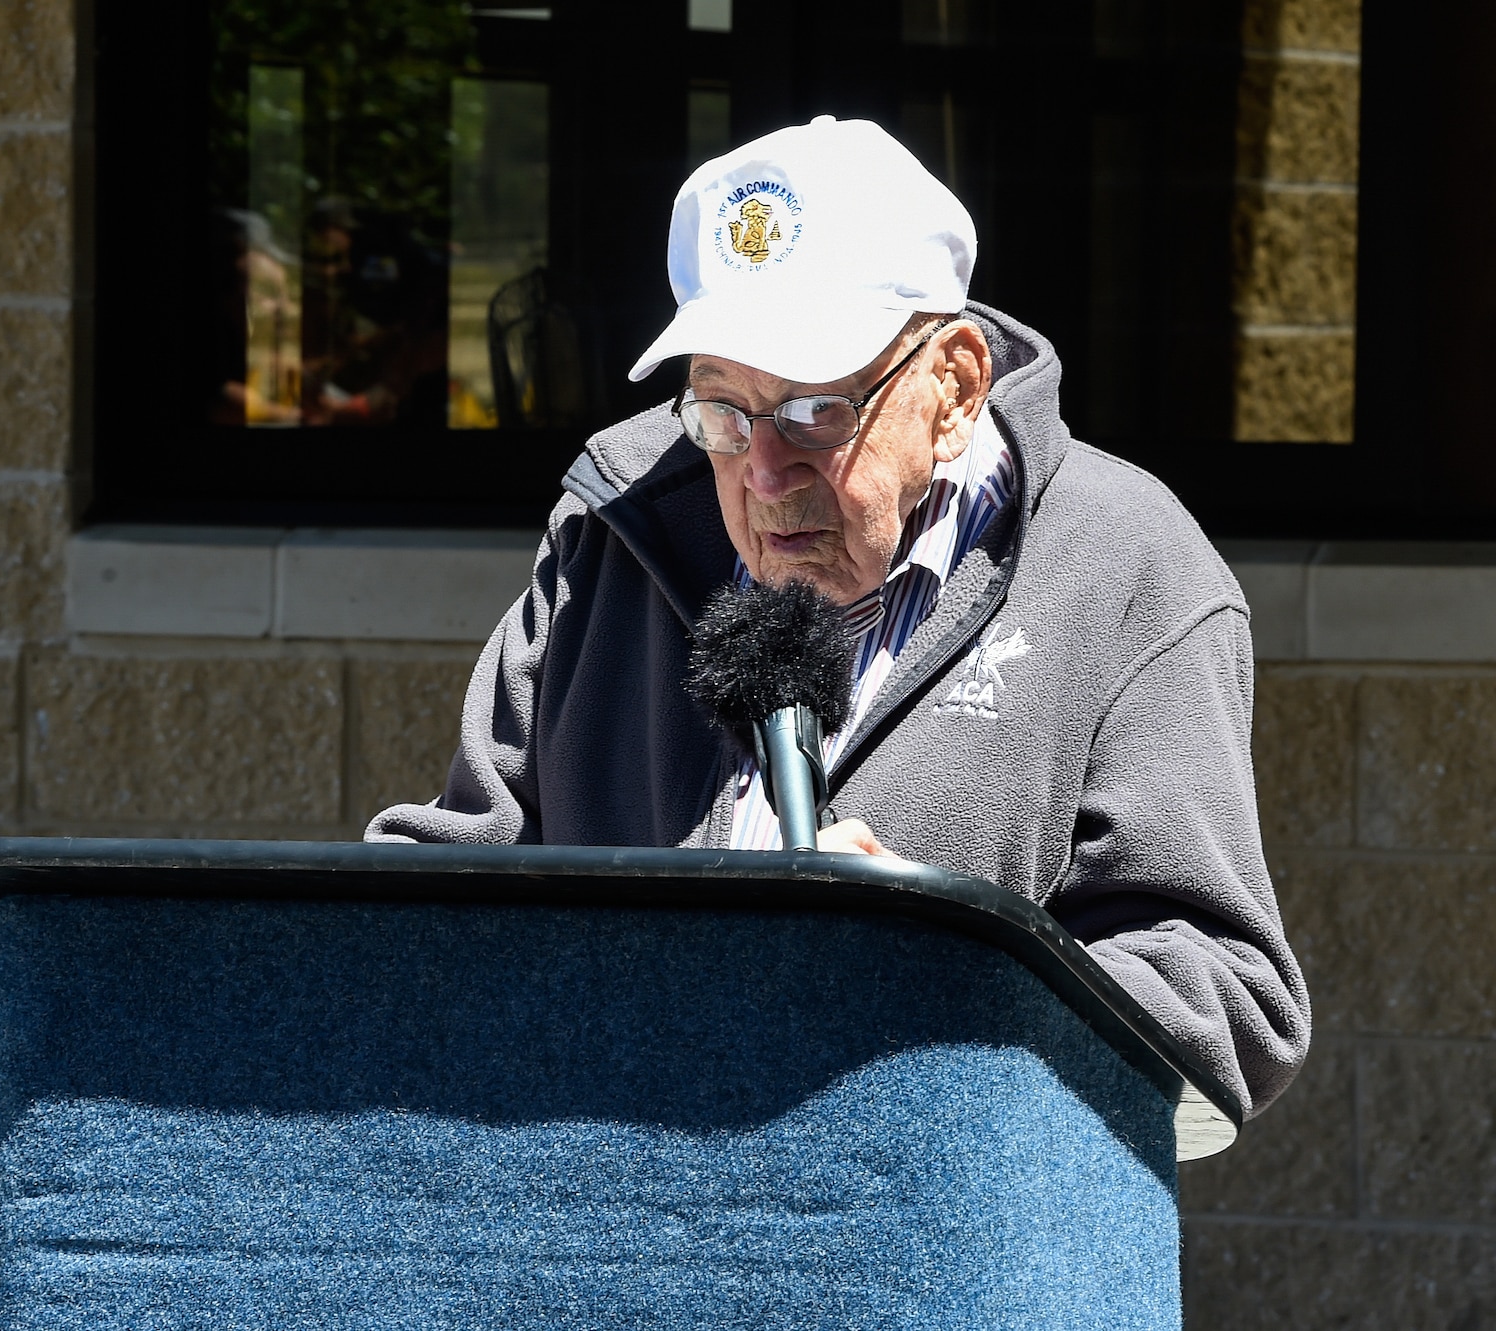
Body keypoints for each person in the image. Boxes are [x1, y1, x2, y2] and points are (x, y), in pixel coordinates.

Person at [366, 116, 1308, 1117]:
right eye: (721, 407)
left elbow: (1228, 1005)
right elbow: (457, 876)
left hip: (940, 1245)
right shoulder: (613, 523)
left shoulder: (1122, 562)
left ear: (950, 383)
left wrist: (952, 953)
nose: (764, 472)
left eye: (816, 409)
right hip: (626, 1233)